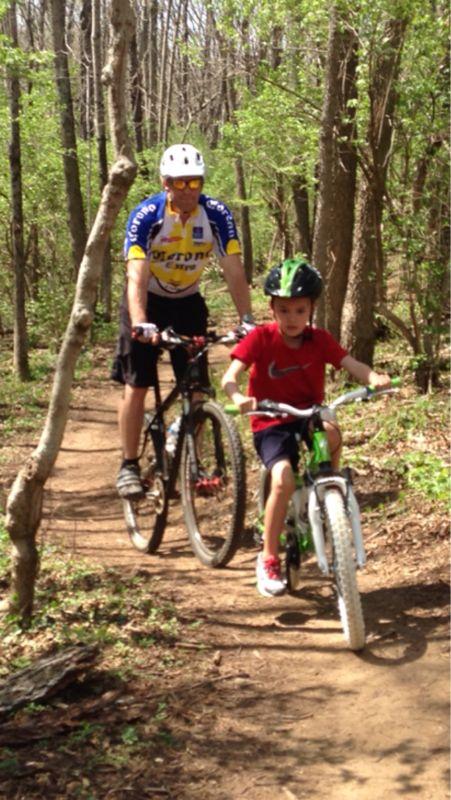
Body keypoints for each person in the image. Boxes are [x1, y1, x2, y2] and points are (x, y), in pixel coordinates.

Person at [221, 258, 391, 598]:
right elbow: (230, 376)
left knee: (330, 429)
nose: (292, 318)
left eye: (300, 310)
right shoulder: (261, 338)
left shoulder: (319, 340)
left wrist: (374, 378)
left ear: (311, 308)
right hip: (271, 419)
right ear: (271, 310)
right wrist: (238, 395)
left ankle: (328, 487)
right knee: (282, 479)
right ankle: (268, 556)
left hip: (309, 414)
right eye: (283, 310)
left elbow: (351, 363)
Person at [112, 143, 254, 499]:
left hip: (187, 302)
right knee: (138, 383)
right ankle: (128, 464)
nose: (188, 190)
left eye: (195, 183)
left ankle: (192, 464)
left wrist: (247, 319)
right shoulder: (147, 215)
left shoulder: (217, 214)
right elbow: (136, 275)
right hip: (147, 301)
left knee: (197, 389)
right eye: (180, 183)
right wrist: (141, 321)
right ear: (166, 183)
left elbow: (234, 270)